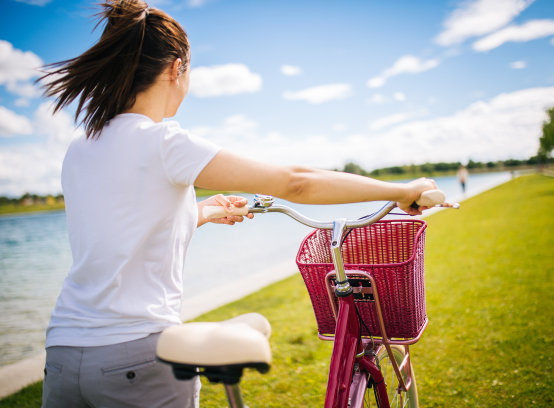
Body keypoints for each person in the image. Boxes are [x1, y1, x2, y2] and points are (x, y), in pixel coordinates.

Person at [37, 1, 437, 407]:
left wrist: (206, 212)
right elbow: (296, 184)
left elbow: (120, 231)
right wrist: (401, 190)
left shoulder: (82, 147)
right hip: (136, 357)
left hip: (64, 356)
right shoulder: (163, 142)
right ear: (177, 68)